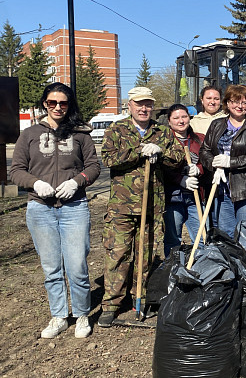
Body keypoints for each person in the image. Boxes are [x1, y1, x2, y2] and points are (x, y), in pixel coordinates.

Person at [9, 83, 101, 339]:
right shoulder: (28, 135)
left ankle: (82, 314)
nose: (58, 107)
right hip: (40, 209)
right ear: (44, 104)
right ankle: (59, 315)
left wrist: (77, 181)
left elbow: (94, 166)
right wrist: (35, 183)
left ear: (69, 105)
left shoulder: (81, 134)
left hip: (74, 208)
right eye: (52, 103)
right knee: (51, 267)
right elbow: (16, 170)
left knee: (77, 265)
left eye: (63, 103)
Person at [98, 87, 184, 327]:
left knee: (145, 256)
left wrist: (161, 150)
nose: (144, 109)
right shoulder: (117, 129)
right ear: (130, 105)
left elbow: (178, 158)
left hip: (151, 206)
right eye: (139, 104)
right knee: (117, 254)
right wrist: (138, 151)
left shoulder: (162, 131)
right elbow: (108, 158)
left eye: (148, 104)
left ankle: (140, 298)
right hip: (122, 207)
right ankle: (112, 304)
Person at [199, 84, 246, 239]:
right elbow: (204, 150)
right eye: (236, 102)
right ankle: (231, 263)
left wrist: (230, 162)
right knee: (226, 235)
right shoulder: (217, 125)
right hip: (222, 190)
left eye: (244, 102)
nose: (240, 106)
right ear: (228, 103)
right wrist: (214, 164)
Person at [163, 103, 203, 257]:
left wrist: (198, 169)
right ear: (169, 121)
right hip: (173, 198)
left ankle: (201, 271)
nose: (181, 121)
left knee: (201, 237)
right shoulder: (165, 141)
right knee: (173, 239)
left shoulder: (199, 139)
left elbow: (206, 162)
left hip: (196, 197)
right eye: (176, 118)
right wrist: (180, 178)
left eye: (184, 116)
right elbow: (162, 168)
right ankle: (174, 271)